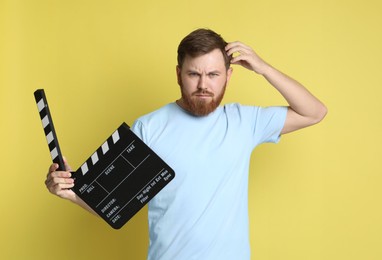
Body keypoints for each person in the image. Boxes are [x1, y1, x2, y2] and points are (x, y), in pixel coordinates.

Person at [45, 28, 327, 259]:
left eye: (214, 74)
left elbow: (314, 111)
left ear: (229, 75)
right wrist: (69, 192)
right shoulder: (150, 127)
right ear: (178, 74)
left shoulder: (245, 122)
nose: (204, 84)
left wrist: (264, 68)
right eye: (194, 74)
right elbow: (114, 202)